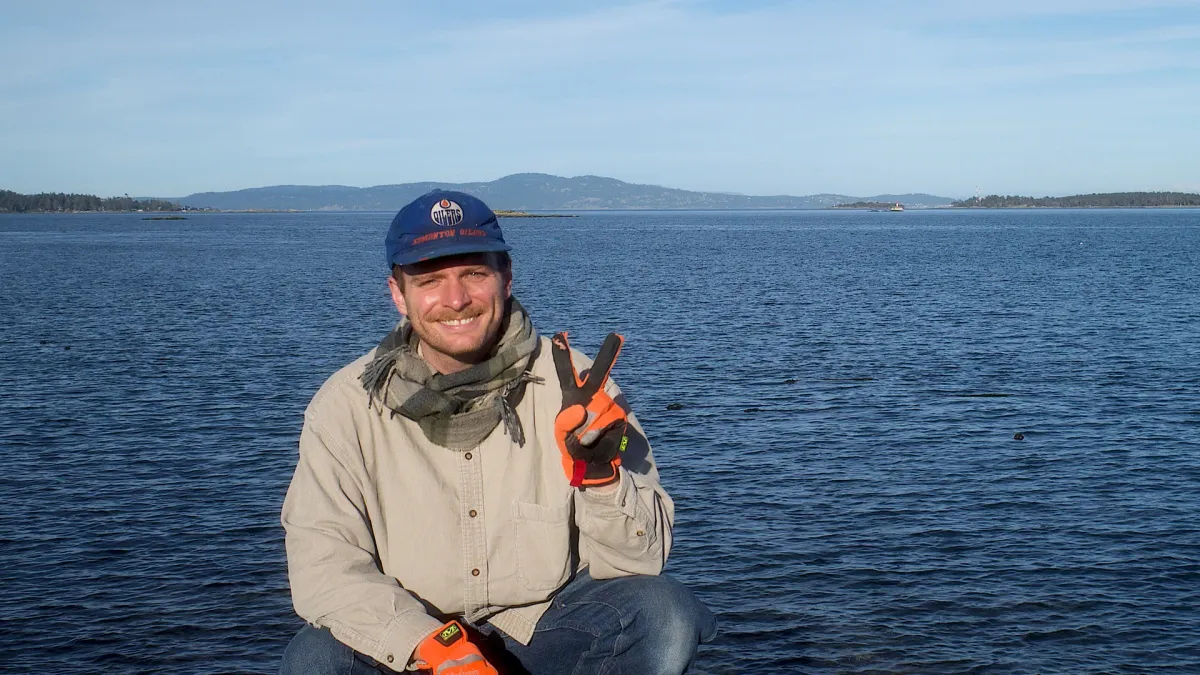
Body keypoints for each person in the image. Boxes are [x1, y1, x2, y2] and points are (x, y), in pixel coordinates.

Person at [279, 190, 716, 675]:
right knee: (315, 657)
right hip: (413, 640)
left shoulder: (580, 389)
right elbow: (324, 565)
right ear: (398, 294)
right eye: (430, 280)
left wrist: (600, 476)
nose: (456, 300)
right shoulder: (345, 406)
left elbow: (642, 561)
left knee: (663, 612)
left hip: (546, 627)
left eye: (474, 274)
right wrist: (434, 645)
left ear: (506, 278)